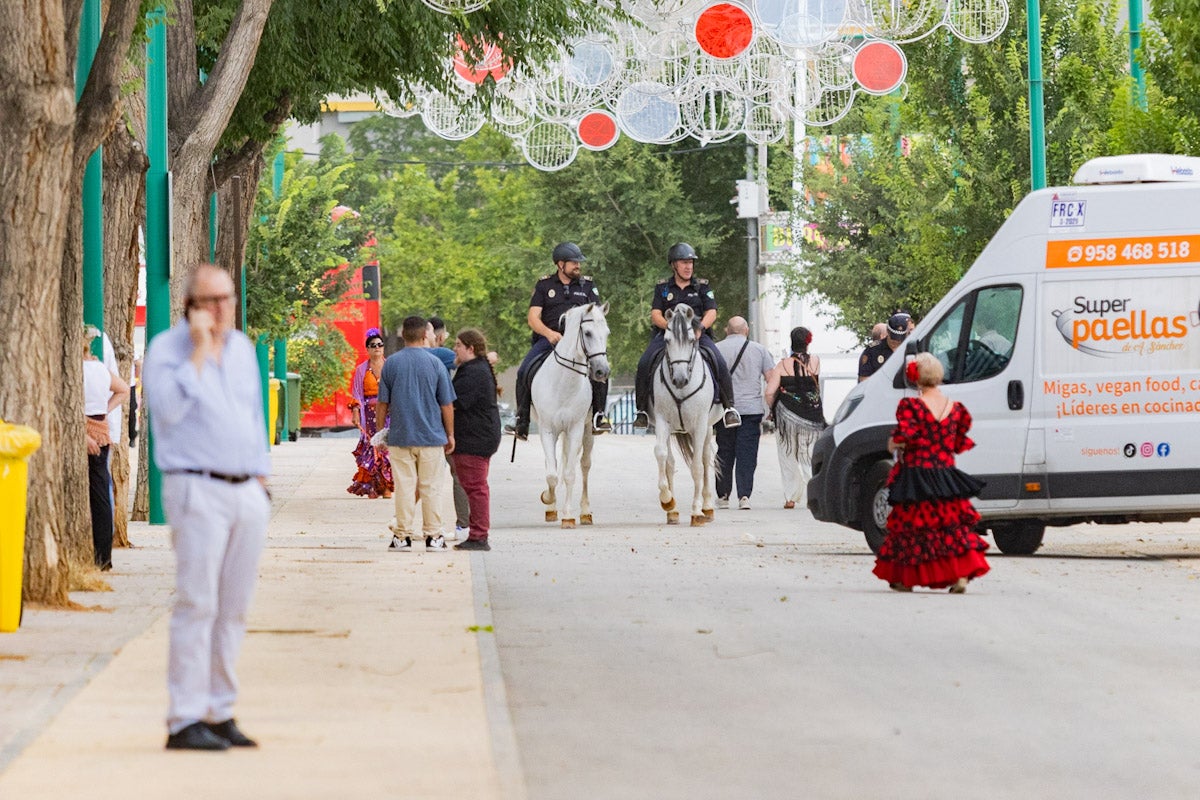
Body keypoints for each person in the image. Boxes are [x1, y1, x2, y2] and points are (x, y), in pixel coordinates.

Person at [142, 263, 272, 751]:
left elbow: (252, 415)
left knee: (234, 606)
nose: (221, 309)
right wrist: (198, 351)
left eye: (226, 299)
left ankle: (220, 709)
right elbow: (168, 410)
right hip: (196, 487)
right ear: (190, 306)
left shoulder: (241, 349)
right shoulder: (167, 351)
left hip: (245, 489)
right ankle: (184, 717)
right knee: (198, 602)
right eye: (210, 301)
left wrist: (261, 476)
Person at [872, 352, 990, 593]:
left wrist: (893, 443)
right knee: (950, 526)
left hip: (917, 474)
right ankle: (959, 574)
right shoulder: (955, 408)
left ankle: (906, 578)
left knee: (912, 527)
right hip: (945, 474)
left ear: (916, 377)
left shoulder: (911, 406)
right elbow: (957, 443)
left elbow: (906, 436)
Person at [508, 242, 610, 440]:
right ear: (560, 264)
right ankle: (521, 419)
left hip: (579, 343)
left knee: (600, 368)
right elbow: (533, 318)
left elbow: (597, 315)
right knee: (523, 371)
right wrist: (548, 333)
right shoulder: (544, 285)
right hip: (549, 340)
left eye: (579, 262)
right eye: (574, 262)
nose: (578, 266)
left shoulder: (588, 285)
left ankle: (599, 415)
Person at [633, 242, 740, 430]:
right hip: (668, 336)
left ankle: (729, 407)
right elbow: (655, 314)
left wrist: (701, 328)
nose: (688, 266)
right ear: (674, 265)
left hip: (697, 335)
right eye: (684, 262)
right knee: (644, 363)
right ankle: (642, 410)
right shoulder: (663, 288)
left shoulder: (702, 287)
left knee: (719, 362)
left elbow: (712, 312)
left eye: (690, 262)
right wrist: (670, 328)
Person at [376, 315, 456, 552]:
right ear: (424, 335)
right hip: (432, 437)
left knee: (404, 487)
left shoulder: (391, 364)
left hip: (400, 436)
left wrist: (380, 432)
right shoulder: (436, 364)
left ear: (403, 335)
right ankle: (433, 537)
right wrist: (450, 434)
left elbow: (382, 403)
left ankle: (402, 537)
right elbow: (446, 404)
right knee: (431, 487)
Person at [713, 316, 774, 510]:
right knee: (747, 454)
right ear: (746, 330)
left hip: (725, 410)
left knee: (724, 451)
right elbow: (771, 380)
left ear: (727, 330)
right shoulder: (760, 350)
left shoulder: (715, 349)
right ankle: (744, 496)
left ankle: (723, 496)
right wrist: (771, 408)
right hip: (751, 409)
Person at [450, 328, 502, 551]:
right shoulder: (477, 368)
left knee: (475, 487)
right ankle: (477, 533)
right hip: (480, 435)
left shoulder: (473, 373)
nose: (455, 349)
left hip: (474, 437)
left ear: (470, 349)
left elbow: (454, 402)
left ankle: (479, 535)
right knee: (475, 486)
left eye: (458, 345)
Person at [83, 327, 130, 571]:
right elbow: (124, 389)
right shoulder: (100, 369)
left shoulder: (76, 370)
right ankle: (103, 556)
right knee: (101, 492)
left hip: (84, 427)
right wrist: (106, 409)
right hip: (101, 429)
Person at [766, 326, 826, 510]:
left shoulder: (782, 365)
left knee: (787, 454)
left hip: (786, 418)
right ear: (808, 342)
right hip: (811, 417)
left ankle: (791, 497)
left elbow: (769, 392)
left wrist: (772, 408)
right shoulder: (815, 361)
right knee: (808, 455)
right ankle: (815, 495)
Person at [346, 328, 394, 499]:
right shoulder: (361, 370)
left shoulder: (390, 367)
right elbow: (356, 393)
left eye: (380, 345)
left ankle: (387, 486)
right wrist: (356, 412)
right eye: (373, 345)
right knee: (371, 446)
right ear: (367, 349)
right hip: (369, 415)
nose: (377, 348)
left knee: (386, 447)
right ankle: (373, 486)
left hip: (388, 413)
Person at [858, 311, 912, 382]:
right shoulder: (872, 350)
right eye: (893, 338)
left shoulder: (911, 348)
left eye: (900, 340)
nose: (896, 342)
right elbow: (863, 380)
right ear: (888, 331)